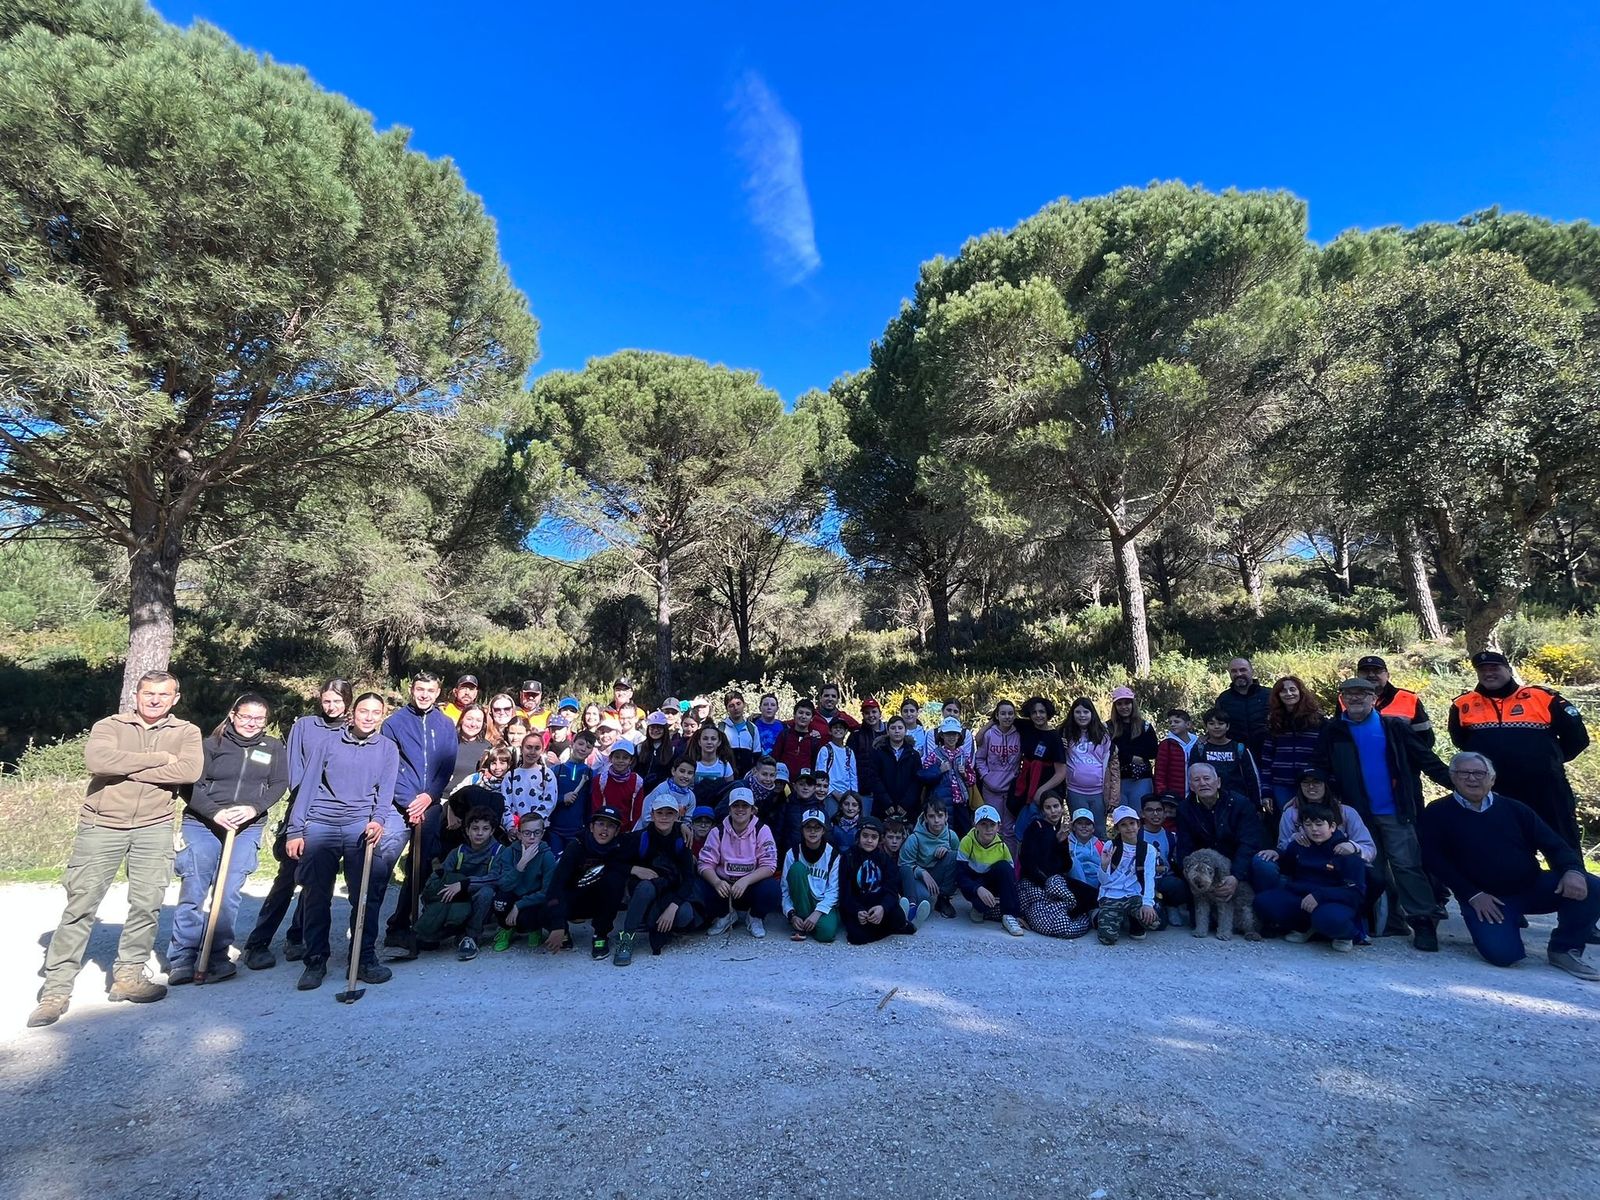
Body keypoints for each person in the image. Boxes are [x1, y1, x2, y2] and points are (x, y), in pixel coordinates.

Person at [31, 671, 204, 1026]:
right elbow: (99, 763)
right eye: (148, 693)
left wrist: (127, 766)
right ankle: (56, 990)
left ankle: (128, 976)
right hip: (102, 825)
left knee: (147, 904)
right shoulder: (109, 725)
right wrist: (160, 761)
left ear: (175, 697)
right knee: (81, 904)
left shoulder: (186, 732)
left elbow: (189, 770)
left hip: (154, 827)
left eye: (163, 694)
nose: (155, 699)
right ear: (136, 695)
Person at [1420, 752, 1600, 980]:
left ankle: (1564, 949)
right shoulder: (1437, 812)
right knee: (1504, 956)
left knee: (1592, 886)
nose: (1472, 779)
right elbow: (1434, 859)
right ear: (1453, 777)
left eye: (1479, 773)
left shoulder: (1515, 809)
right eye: (1463, 773)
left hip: (1532, 887)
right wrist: (1472, 895)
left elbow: (1554, 844)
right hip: (1485, 899)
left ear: (1492, 779)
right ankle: (1507, 923)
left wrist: (1571, 870)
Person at [1316, 677, 1452, 951]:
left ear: (1374, 698)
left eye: (1361, 694)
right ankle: (1382, 921)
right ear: (1342, 698)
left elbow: (1427, 760)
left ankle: (1423, 921)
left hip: (1394, 810)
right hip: (1358, 815)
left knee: (1407, 865)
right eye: (1348, 694)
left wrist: (1460, 784)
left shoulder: (1394, 728)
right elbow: (1321, 768)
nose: (1355, 699)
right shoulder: (1333, 731)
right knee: (1371, 870)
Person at [282, 691, 403, 992]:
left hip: (360, 826)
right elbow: (307, 787)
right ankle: (315, 960)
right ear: (352, 712)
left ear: (382, 715)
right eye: (364, 710)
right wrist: (295, 829)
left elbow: (386, 790)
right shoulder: (328, 743)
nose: (369, 716)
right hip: (321, 823)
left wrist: (378, 820)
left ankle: (363, 958)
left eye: (376, 712)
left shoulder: (387, 748)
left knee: (366, 895)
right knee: (315, 894)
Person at [166, 694, 289, 985]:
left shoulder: (272, 747)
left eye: (259, 719)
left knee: (229, 892)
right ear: (233, 715)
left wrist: (253, 808)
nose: (252, 723)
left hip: (247, 826)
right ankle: (183, 956)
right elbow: (189, 785)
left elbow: (279, 784)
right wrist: (214, 813)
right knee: (195, 887)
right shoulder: (210, 745)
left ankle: (216, 955)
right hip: (203, 824)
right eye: (246, 716)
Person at [243, 678, 353, 972]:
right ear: (320, 700)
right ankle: (258, 941)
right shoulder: (305, 726)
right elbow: (294, 769)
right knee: (287, 878)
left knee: (318, 881)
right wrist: (303, 808)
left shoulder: (351, 732)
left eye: (338, 701)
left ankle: (297, 935)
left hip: (333, 814)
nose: (332, 707)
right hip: (303, 809)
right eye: (327, 701)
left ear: (348, 702)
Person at [1448, 649, 1590, 851]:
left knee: (1563, 845)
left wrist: (1549, 761)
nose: (1488, 673)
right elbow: (1461, 741)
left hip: (1545, 787)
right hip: (1495, 791)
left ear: (1508, 669)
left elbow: (1577, 738)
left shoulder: (1542, 698)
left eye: (1494, 668)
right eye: (1482, 670)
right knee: (1505, 849)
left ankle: (1575, 881)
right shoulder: (1463, 704)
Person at [381, 672, 459, 960]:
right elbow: (389, 766)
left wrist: (429, 797)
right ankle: (364, 932)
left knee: (421, 866)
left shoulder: (445, 724)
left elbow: (446, 766)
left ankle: (401, 924)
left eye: (430, 689)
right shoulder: (394, 723)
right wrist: (408, 801)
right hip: (398, 805)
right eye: (419, 689)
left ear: (438, 692)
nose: (424, 694)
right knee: (383, 865)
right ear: (411, 689)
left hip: (430, 803)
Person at [1251, 802, 1367, 953]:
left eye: (1319, 824)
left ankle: (1345, 935)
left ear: (1332, 826)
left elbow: (1356, 893)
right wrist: (1277, 853)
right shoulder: (1299, 845)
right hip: (1302, 897)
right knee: (1263, 901)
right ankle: (1305, 928)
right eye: (1308, 824)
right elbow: (1286, 866)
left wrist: (1321, 895)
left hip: (1333, 900)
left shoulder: (1345, 851)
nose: (1314, 829)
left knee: (1328, 918)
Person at [1251, 769, 1376, 898]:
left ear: (1325, 785)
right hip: (1304, 872)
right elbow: (1283, 848)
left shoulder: (1347, 812)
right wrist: (1292, 840)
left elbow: (1370, 849)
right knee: (1262, 863)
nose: (1311, 786)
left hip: (1339, 873)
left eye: (1316, 782)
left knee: (1373, 879)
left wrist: (1354, 847)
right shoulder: (1290, 813)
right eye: (1305, 783)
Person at [615, 794, 700, 964]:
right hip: (644, 889)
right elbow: (614, 862)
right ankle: (627, 937)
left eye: (669, 813)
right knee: (646, 888)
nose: (664, 817)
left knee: (684, 915)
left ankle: (652, 919)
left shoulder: (682, 840)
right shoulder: (640, 838)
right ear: (652, 815)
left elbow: (689, 879)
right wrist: (635, 869)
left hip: (670, 890)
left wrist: (673, 907)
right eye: (660, 813)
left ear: (677, 817)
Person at [539, 806, 632, 959]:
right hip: (573, 899)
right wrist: (557, 924)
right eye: (600, 824)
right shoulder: (576, 846)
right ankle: (563, 934)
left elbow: (650, 833)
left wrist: (681, 826)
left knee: (616, 880)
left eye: (610, 826)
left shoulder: (620, 846)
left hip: (599, 902)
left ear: (616, 832)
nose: (605, 830)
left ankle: (600, 935)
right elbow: (557, 885)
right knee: (543, 909)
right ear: (591, 826)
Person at [1175, 763, 1264, 921]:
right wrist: (1193, 876)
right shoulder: (1184, 809)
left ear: (1218, 782)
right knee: (1201, 921)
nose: (1203, 783)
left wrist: (1235, 876)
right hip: (1204, 870)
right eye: (1196, 780)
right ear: (1191, 786)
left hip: (1237, 864)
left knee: (1263, 866)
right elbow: (1184, 847)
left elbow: (1249, 843)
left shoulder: (1240, 804)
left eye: (1207, 778)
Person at [415, 807, 506, 960]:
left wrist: (465, 884)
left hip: (482, 900)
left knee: (487, 892)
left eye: (485, 829)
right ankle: (439, 929)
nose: (479, 833)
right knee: (427, 938)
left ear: (492, 831)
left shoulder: (498, 851)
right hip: (457, 900)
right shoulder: (458, 852)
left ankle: (471, 937)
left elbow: (496, 878)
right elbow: (440, 877)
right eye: (475, 828)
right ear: (467, 830)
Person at [698, 788, 780, 938]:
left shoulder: (762, 830)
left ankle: (755, 916)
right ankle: (726, 915)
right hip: (724, 887)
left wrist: (746, 880)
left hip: (750, 886)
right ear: (729, 809)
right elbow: (705, 863)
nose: (740, 809)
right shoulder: (718, 831)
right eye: (736, 805)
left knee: (772, 889)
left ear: (752, 810)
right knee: (699, 884)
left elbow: (769, 865)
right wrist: (716, 882)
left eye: (745, 806)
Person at [1017, 795, 1094, 939]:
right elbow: (1030, 863)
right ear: (1042, 810)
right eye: (1048, 807)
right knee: (1061, 923)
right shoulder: (1036, 827)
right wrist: (1054, 842)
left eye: (1056, 806)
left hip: (1056, 882)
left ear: (1062, 808)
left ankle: (1088, 917)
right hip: (1036, 884)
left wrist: (1061, 842)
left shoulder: (1057, 830)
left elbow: (1065, 866)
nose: (1053, 811)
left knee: (1091, 895)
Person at [1259, 676, 1326, 825]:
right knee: (1289, 823)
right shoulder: (1274, 721)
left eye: (1292, 689)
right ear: (1277, 696)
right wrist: (1266, 791)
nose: (1288, 693)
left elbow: (1326, 754)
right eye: (1283, 691)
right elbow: (1267, 759)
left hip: (1311, 781)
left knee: (1314, 823)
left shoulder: (1318, 720)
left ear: (1301, 692)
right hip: (1282, 784)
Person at [840, 816, 916, 944]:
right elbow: (845, 892)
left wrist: (882, 907)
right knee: (856, 938)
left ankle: (894, 926)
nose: (869, 840)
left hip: (878, 906)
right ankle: (892, 929)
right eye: (865, 836)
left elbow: (891, 889)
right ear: (858, 836)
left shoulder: (884, 859)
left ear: (879, 840)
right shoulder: (848, 857)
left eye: (874, 837)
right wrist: (857, 910)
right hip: (859, 909)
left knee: (898, 917)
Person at [491, 814, 556, 952]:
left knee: (529, 918)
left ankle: (534, 929)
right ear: (519, 835)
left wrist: (518, 906)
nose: (532, 837)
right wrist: (521, 865)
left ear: (542, 834)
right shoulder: (510, 852)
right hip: (513, 893)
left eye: (536, 832)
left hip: (533, 898)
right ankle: (506, 929)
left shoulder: (547, 855)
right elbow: (503, 884)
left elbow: (547, 892)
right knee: (500, 902)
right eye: (527, 833)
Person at [1097, 805, 1160, 945]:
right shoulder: (1110, 846)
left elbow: (1149, 878)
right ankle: (1100, 915)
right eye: (1123, 825)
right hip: (1111, 894)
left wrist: (1148, 904)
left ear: (1138, 825)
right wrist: (1104, 866)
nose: (1129, 828)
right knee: (1107, 939)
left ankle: (1133, 920)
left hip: (1134, 894)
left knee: (1155, 923)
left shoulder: (1148, 849)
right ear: (1117, 828)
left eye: (1132, 823)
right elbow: (1103, 881)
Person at [957, 806, 1025, 935]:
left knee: (1004, 867)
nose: (988, 829)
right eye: (983, 824)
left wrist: (1016, 911)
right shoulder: (967, 842)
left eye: (992, 825)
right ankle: (979, 907)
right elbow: (960, 876)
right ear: (975, 825)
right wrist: (977, 888)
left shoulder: (1002, 846)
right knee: (980, 906)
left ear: (998, 827)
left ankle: (1009, 916)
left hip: (991, 883)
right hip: (974, 885)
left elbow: (1010, 878)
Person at [1011, 697, 1067, 845]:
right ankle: (1020, 865)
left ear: (1048, 713)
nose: (1038, 715)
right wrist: (992, 719)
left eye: (1042, 712)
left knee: (1042, 833)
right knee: (1020, 832)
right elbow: (1004, 719)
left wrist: (1041, 791)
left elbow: (1061, 772)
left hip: (1046, 791)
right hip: (1026, 787)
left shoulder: (1054, 737)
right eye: (1034, 712)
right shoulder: (1027, 727)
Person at [781, 809, 842, 943]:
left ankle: (811, 923)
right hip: (800, 901)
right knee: (797, 869)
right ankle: (800, 923)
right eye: (808, 827)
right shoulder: (793, 853)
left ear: (823, 830)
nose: (812, 832)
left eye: (817, 827)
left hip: (822, 902)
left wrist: (817, 913)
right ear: (802, 830)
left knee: (826, 934)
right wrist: (791, 914)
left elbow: (834, 890)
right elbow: (784, 890)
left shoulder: (833, 855)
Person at [1062, 697, 1118, 837]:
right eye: (1078, 712)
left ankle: (1102, 858)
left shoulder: (1103, 735)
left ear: (1092, 713)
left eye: (1085, 712)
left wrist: (1113, 796)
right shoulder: (1064, 733)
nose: (1082, 715)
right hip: (1075, 791)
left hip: (1099, 791)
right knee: (1080, 831)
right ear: (1072, 714)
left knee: (1099, 831)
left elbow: (1112, 765)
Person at [1353, 655, 1435, 747]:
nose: (1371, 675)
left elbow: (1426, 739)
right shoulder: (1345, 699)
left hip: (1400, 758)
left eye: (1377, 671)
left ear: (1387, 675)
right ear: (1357, 676)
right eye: (1365, 671)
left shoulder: (1409, 698)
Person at [1189, 708, 1262, 809]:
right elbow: (1192, 777)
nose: (1216, 727)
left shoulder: (1239, 748)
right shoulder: (1200, 749)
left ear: (1227, 726)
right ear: (1206, 726)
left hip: (1238, 803)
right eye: (1211, 723)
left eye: (1221, 723)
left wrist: (1257, 805)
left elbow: (1252, 778)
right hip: (1208, 804)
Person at [900, 798, 961, 920]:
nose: (936, 820)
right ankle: (910, 905)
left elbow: (960, 860)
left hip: (939, 874)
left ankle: (943, 899)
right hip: (919, 877)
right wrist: (921, 872)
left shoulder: (951, 836)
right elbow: (903, 865)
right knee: (923, 898)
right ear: (926, 818)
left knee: (955, 856)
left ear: (946, 817)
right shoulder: (915, 838)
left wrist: (947, 851)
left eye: (940, 816)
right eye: (932, 816)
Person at [974, 699, 1021, 845]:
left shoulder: (1019, 735)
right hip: (991, 789)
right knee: (992, 827)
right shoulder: (989, 734)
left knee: (1009, 830)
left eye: (1010, 713)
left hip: (1011, 789)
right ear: (997, 716)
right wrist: (986, 776)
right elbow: (980, 758)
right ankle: (992, 862)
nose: (1007, 717)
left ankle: (1010, 864)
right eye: (1003, 713)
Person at [919, 717, 977, 835]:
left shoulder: (963, 756)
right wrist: (939, 770)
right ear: (942, 736)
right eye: (948, 734)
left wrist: (965, 774)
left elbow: (972, 780)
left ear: (959, 736)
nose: (951, 737)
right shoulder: (934, 755)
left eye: (955, 734)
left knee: (965, 833)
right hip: (941, 803)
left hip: (960, 803)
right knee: (944, 833)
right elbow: (924, 777)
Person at [1107, 687, 1159, 810]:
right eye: (1119, 704)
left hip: (1141, 779)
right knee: (1122, 819)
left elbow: (1153, 751)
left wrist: (1124, 753)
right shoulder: (1108, 728)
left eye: (1127, 703)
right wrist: (1131, 757)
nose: (1124, 707)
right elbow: (1108, 751)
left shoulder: (1144, 726)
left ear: (1133, 704)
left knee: (1140, 817)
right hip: (1117, 780)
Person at [1140, 793, 1186, 927]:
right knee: (1158, 925)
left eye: (1159, 810)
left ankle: (1172, 905)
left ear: (1164, 814)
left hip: (1165, 879)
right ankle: (1156, 906)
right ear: (1142, 814)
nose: (1155, 814)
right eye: (1150, 810)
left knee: (1179, 885)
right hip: (1143, 880)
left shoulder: (1171, 837)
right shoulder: (1136, 836)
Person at [548, 730, 595, 856]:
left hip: (577, 831)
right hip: (555, 830)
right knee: (555, 865)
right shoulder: (556, 770)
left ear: (591, 751)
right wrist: (562, 798)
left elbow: (590, 804)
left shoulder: (591, 774)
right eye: (580, 744)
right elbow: (547, 799)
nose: (583, 749)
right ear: (572, 744)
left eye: (588, 747)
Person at [871, 716, 923, 826]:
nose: (897, 731)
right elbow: (874, 779)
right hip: (883, 807)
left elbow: (917, 781)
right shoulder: (878, 753)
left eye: (900, 728)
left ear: (905, 730)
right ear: (888, 731)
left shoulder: (914, 755)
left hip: (907, 809)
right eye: (893, 728)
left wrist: (906, 804)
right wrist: (886, 803)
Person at [1217, 657, 1271, 761]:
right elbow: (1218, 725)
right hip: (1237, 757)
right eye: (1234, 671)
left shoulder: (1269, 695)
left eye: (1243, 670)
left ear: (1252, 671)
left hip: (1268, 754)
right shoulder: (1224, 699)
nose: (1238, 674)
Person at [501, 736, 558, 830]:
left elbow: (549, 802)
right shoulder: (510, 775)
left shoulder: (546, 774)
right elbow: (505, 803)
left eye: (537, 748)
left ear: (542, 751)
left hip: (539, 830)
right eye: (529, 747)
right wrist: (510, 826)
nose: (532, 752)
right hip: (516, 829)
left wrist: (531, 824)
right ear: (522, 748)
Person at [591, 739, 645, 829]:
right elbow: (596, 807)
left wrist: (632, 830)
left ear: (631, 760)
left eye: (625, 758)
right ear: (610, 758)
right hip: (605, 828)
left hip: (626, 830)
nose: (620, 761)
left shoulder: (637, 781)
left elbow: (637, 810)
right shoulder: (600, 780)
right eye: (617, 757)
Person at [773, 697, 827, 783]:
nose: (803, 716)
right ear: (794, 714)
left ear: (812, 718)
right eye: (800, 713)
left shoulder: (814, 740)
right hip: (783, 782)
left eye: (807, 714)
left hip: (804, 784)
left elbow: (815, 764)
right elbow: (775, 757)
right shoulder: (784, 735)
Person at [816, 717, 860, 809]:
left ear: (846, 731)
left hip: (847, 797)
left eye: (841, 727)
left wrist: (853, 796)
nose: (838, 729)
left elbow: (853, 775)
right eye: (835, 727)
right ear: (830, 731)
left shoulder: (849, 752)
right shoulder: (825, 750)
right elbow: (820, 774)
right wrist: (833, 792)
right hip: (829, 794)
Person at [1153, 708, 1197, 799]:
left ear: (1188, 724)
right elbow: (1160, 772)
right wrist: (1162, 792)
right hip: (1173, 794)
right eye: (1170, 722)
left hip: (1195, 794)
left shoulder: (1197, 743)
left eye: (1177, 722)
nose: (1172, 725)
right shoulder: (1166, 744)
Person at [447, 705, 492, 791]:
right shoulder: (447, 742)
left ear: (483, 724)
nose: (473, 724)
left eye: (478, 720)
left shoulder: (488, 748)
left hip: (471, 800)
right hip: (443, 797)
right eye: (469, 719)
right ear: (461, 720)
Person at [719, 690, 763, 775]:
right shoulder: (721, 728)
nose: (736, 708)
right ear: (727, 709)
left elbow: (757, 754)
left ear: (744, 704)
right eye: (731, 706)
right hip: (727, 773)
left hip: (747, 774)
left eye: (738, 704)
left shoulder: (752, 728)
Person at [635, 711, 676, 790]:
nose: (656, 730)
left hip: (663, 791)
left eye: (659, 727)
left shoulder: (672, 750)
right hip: (641, 790)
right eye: (652, 727)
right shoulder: (639, 748)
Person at [828, 788, 863, 855]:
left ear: (859, 808)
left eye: (854, 805)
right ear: (841, 806)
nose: (850, 808)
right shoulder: (833, 823)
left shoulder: (862, 825)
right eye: (846, 804)